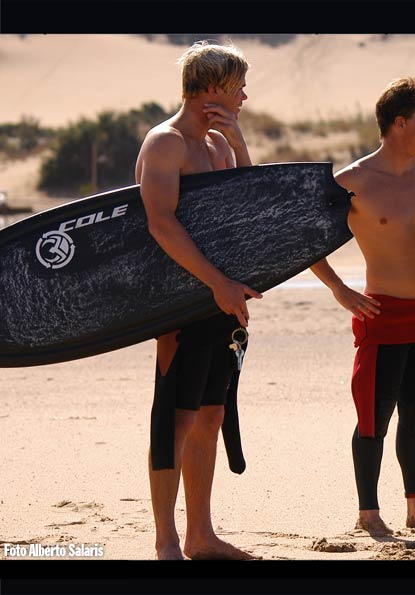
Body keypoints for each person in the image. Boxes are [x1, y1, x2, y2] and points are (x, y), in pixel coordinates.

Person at [310, 77, 415, 536]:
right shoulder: (353, 182)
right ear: (399, 123)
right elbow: (304, 242)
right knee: (373, 419)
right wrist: (339, 289)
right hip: (381, 315)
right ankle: (368, 513)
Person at [135, 41, 262, 560]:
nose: (244, 97)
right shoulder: (165, 143)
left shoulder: (219, 145)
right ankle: (166, 540)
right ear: (212, 88)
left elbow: (252, 206)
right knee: (176, 418)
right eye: (238, 89)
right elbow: (160, 223)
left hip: (220, 300)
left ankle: (201, 535)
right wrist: (217, 283)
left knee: (211, 415)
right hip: (178, 302)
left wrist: (240, 143)